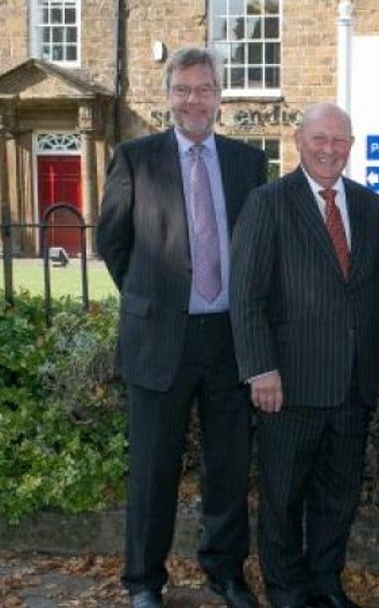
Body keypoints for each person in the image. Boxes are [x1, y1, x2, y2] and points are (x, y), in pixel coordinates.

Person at [96, 47, 267, 608]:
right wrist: (154, 297)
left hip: (230, 339)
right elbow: (113, 243)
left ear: (220, 96)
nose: (194, 99)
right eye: (183, 89)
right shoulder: (135, 158)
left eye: (205, 88)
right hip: (159, 339)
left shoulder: (248, 163)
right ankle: (144, 581)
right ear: (168, 95)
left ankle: (225, 572)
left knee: (229, 467)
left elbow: (256, 250)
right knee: (153, 470)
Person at [229, 103, 379, 608]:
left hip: (354, 381)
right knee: (283, 497)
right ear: (299, 143)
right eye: (320, 139)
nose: (330, 150)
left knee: (338, 495)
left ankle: (326, 582)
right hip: (288, 384)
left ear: (351, 145)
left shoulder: (368, 204)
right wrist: (260, 368)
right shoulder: (268, 202)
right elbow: (246, 294)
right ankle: (286, 591)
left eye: (339, 140)